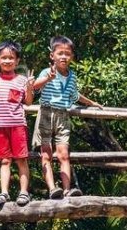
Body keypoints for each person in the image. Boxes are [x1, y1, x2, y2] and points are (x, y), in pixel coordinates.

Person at [31, 36, 103, 199]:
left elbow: (74, 95)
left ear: (71, 56)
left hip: (63, 115)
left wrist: (91, 103)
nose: (63, 57)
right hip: (46, 113)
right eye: (60, 53)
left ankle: (67, 189)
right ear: (52, 56)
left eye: (67, 54)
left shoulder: (72, 76)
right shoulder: (46, 72)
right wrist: (47, 78)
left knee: (64, 154)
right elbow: (34, 87)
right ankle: (52, 188)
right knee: (46, 154)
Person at [0, 41, 34, 206]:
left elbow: (28, 103)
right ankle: (4, 193)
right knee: (4, 160)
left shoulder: (21, 80)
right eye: (3, 58)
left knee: (21, 160)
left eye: (11, 58)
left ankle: (24, 192)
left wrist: (30, 87)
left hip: (18, 124)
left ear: (17, 61)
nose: (7, 61)